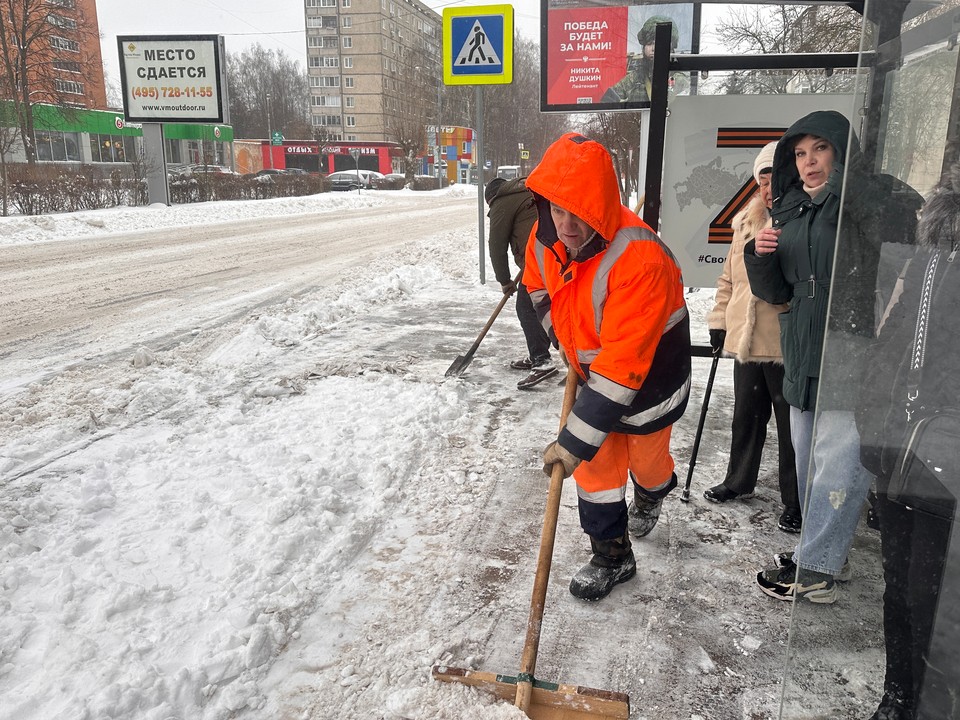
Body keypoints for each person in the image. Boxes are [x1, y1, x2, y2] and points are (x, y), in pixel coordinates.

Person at [744, 110, 922, 604]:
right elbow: (778, 290)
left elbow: (899, 242)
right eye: (799, 154)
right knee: (807, 456)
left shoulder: (863, 201)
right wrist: (758, 255)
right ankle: (823, 550)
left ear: (841, 152)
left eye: (819, 149)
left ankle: (818, 567)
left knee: (839, 459)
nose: (808, 162)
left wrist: (857, 184)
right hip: (802, 342)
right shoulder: (793, 211)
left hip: (853, 342)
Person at [523, 133, 691, 601]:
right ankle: (612, 555)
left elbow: (623, 369)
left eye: (580, 211)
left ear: (603, 203)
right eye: (558, 209)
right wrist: (560, 336)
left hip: (650, 383)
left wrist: (571, 442)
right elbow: (538, 290)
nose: (568, 225)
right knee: (595, 473)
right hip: (594, 379)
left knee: (647, 464)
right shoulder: (546, 240)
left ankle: (655, 492)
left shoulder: (639, 259)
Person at [857, 160, 960, 720]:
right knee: (899, 586)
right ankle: (899, 694)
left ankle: (930, 704)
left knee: (931, 597)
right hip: (904, 442)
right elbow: (893, 342)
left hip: (946, 455)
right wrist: (874, 417)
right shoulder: (930, 257)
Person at [704, 141, 801, 533]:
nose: (767, 186)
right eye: (761, 179)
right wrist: (718, 320)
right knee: (746, 416)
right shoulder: (745, 221)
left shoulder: (798, 221)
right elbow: (728, 278)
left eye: (773, 177)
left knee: (791, 427)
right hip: (745, 339)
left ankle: (794, 501)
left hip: (782, 342)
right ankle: (738, 481)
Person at [484, 177, 557, 390]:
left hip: (540, 257)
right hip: (555, 254)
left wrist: (504, 281)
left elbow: (496, 245)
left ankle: (542, 360)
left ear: (491, 198)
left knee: (526, 307)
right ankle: (539, 355)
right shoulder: (527, 191)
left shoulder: (502, 202)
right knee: (539, 305)